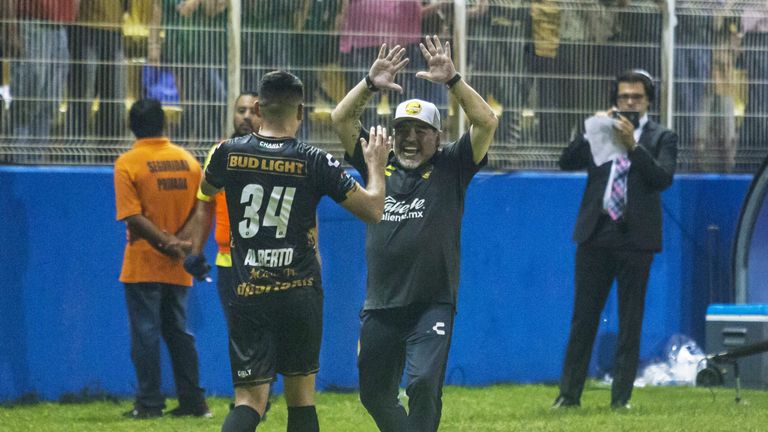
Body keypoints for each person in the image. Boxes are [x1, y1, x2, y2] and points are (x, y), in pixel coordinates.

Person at [197, 70, 389, 432]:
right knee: (301, 401)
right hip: (299, 292)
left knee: (249, 401)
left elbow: (206, 188)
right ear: (300, 112)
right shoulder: (314, 160)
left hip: (247, 290)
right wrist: (376, 167)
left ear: (257, 107)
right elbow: (373, 209)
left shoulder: (227, 153)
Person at [331, 36, 498, 431]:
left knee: (423, 383)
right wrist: (369, 84)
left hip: (432, 302)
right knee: (373, 394)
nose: (409, 137)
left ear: (438, 138)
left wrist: (453, 79)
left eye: (420, 131)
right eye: (402, 129)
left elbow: (486, 121)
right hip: (381, 303)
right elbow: (340, 119)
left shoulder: (452, 165)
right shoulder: (376, 161)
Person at [553, 69, 678, 409]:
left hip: (636, 238)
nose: (630, 103)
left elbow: (662, 178)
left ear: (648, 100)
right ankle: (568, 395)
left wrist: (634, 147)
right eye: (624, 97)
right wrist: (588, 131)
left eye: (637, 97)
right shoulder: (600, 131)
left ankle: (620, 399)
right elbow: (566, 162)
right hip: (596, 232)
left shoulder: (661, 137)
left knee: (630, 320)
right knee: (583, 318)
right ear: (615, 100)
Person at [114, 98, 210, 419]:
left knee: (145, 334)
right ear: (164, 123)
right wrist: (181, 243)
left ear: (132, 126)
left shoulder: (128, 163)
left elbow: (132, 216)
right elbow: (200, 208)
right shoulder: (188, 162)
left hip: (143, 262)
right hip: (179, 261)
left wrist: (165, 242)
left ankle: (149, 404)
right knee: (179, 332)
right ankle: (194, 401)